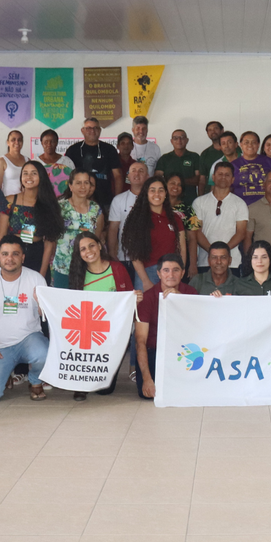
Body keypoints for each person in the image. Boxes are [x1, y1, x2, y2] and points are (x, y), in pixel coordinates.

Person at [0, 236, 49, 402]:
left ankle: (35, 381)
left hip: (29, 339)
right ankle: (5, 374)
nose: (10, 258)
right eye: (5, 254)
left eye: (15, 254)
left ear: (23, 257)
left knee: (45, 353)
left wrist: (42, 304)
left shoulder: (36, 279)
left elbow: (46, 316)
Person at [67, 230, 138, 400]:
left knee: (105, 389)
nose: (88, 251)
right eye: (82, 249)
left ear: (99, 245)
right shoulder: (78, 273)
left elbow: (128, 297)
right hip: (87, 330)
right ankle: (80, 384)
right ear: (79, 254)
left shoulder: (118, 268)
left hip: (113, 330)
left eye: (91, 245)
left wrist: (136, 297)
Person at [134, 254, 196, 399]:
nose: (171, 274)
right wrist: (147, 379)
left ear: (183, 273)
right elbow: (140, 340)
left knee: (187, 394)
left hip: (183, 352)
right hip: (155, 351)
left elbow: (197, 326)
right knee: (149, 395)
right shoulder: (148, 298)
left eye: (175, 270)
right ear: (159, 274)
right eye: (166, 270)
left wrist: (180, 300)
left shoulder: (191, 293)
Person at [0, 161, 64, 279]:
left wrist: (42, 273)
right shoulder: (9, 201)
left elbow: (49, 243)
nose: (28, 177)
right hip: (13, 253)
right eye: (25, 173)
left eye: (34, 173)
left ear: (41, 177)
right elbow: (1, 235)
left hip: (37, 253)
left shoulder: (48, 204)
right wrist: (1, 261)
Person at [122, 176, 187, 290]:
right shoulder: (137, 218)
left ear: (166, 193)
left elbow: (182, 248)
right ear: (146, 193)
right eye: (152, 190)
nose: (157, 194)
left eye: (161, 190)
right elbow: (134, 254)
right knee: (147, 307)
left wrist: (179, 272)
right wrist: (145, 280)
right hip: (147, 272)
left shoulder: (175, 218)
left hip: (171, 273)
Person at [193, 162, 249, 274]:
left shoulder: (240, 204)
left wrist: (223, 255)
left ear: (233, 179)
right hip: (205, 262)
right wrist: (213, 254)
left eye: (227, 175)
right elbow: (196, 231)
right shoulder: (198, 202)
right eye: (220, 174)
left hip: (232, 262)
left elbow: (241, 233)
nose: (223, 177)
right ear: (213, 177)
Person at [52, 171, 105, 288]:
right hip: (63, 267)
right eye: (78, 183)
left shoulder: (96, 209)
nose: (83, 186)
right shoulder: (60, 207)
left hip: (87, 267)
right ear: (70, 186)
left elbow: (96, 238)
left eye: (86, 183)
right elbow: (51, 238)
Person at [64, 118, 124, 210]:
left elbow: (117, 175)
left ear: (100, 130)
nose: (92, 131)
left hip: (105, 201)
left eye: (95, 128)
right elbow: (66, 176)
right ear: (82, 131)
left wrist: (117, 200)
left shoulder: (109, 149)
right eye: (88, 128)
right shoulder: (73, 150)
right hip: (78, 202)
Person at [108, 161, 149, 268]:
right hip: (125, 257)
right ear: (128, 176)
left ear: (147, 176)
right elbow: (113, 228)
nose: (137, 174)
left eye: (141, 171)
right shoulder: (118, 200)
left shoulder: (154, 199)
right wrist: (112, 252)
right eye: (133, 171)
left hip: (150, 258)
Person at [164, 173, 200, 275]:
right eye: (172, 183)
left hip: (182, 257)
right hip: (160, 256)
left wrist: (193, 265)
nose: (176, 187)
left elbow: (192, 239)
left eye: (179, 185)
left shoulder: (187, 209)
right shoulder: (157, 207)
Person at [155, 129, 201, 205]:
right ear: (171, 141)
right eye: (175, 138)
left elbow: (198, 179)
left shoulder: (194, 157)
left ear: (187, 140)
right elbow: (157, 178)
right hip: (169, 201)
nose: (179, 140)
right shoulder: (165, 158)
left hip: (190, 199)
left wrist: (174, 183)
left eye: (182, 138)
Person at [231, 131, 271, 205]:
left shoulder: (268, 161)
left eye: (253, 142)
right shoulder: (233, 165)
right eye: (246, 142)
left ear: (258, 145)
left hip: (266, 206)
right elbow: (228, 188)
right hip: (241, 207)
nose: (250, 145)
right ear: (241, 145)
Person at [33, 128, 75, 199]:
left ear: (57, 142)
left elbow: (74, 180)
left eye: (52, 141)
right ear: (41, 143)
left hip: (64, 200)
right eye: (46, 142)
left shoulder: (66, 161)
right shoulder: (35, 163)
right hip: (41, 200)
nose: (49, 144)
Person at [0, 130, 28, 196]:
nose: (17, 142)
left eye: (19, 140)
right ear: (8, 143)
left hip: (26, 201)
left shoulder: (27, 160)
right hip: (8, 202)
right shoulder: (2, 161)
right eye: (13, 140)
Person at [198, 120, 226, 194]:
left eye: (215, 128)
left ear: (222, 130)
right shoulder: (205, 154)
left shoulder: (233, 150)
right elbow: (202, 180)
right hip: (211, 194)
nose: (213, 131)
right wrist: (200, 198)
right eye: (210, 130)